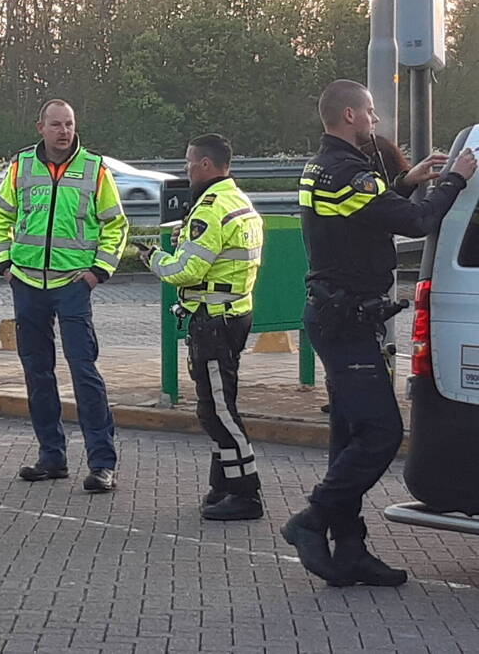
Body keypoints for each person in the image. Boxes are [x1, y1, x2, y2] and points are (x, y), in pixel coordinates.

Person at [282, 79, 477, 586]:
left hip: (339, 316)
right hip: (346, 321)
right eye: (369, 112)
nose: (374, 120)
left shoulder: (323, 168)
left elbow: (361, 217)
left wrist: (407, 179)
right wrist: (455, 178)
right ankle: (312, 519)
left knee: (349, 433)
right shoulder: (350, 172)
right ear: (349, 115)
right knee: (382, 432)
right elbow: (417, 224)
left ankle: (349, 549)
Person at [0, 99, 128, 493]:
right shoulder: (21, 166)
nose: (63, 131)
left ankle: (102, 463)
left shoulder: (95, 169)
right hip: (28, 284)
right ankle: (52, 455)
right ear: (40, 128)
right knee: (37, 373)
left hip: (72, 286)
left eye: (68, 124)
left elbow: (115, 224)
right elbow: (0, 215)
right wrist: (4, 263)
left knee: (84, 373)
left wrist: (99, 271)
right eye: (55, 125)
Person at [139, 134, 265, 520]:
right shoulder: (237, 200)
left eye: (189, 162)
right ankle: (223, 483)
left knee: (218, 411)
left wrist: (153, 257)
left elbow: (185, 270)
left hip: (213, 321)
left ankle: (246, 494)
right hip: (234, 314)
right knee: (216, 403)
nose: (186, 169)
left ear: (206, 165)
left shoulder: (210, 208)